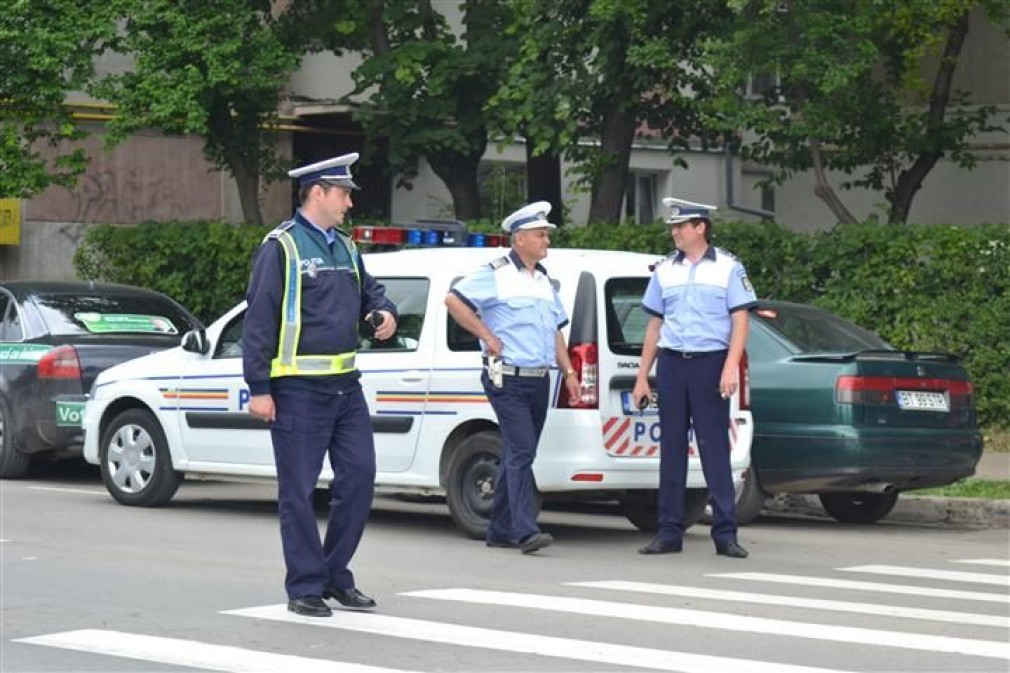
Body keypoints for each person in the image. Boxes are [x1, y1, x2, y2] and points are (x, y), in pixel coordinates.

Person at [242, 153, 398, 617]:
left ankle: (333, 574)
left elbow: (374, 293)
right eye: (343, 193)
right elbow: (259, 321)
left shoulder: (347, 248)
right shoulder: (282, 247)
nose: (349, 202)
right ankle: (305, 585)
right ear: (317, 193)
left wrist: (384, 313)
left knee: (360, 478)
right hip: (297, 391)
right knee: (298, 490)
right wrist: (259, 387)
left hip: (346, 388)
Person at [445, 201, 581, 554]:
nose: (546, 240)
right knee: (520, 449)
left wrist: (568, 373)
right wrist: (487, 336)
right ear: (519, 239)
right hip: (506, 378)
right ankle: (524, 529)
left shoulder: (544, 281)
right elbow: (453, 300)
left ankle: (500, 528)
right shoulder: (496, 272)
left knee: (520, 453)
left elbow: (555, 332)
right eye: (540, 234)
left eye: (546, 234)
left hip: (539, 379)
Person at [633, 197, 757, 559]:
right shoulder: (664, 270)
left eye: (680, 227)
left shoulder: (729, 268)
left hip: (709, 364)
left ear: (700, 228)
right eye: (673, 227)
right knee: (671, 449)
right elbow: (654, 325)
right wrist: (643, 376)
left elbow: (740, 321)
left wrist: (730, 366)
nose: (674, 233)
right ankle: (668, 532)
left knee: (713, 448)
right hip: (672, 364)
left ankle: (725, 534)